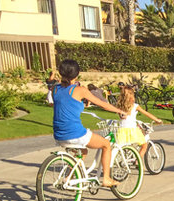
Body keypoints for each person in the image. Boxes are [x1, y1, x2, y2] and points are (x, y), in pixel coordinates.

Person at [51, 59, 127, 188]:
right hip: (74, 133)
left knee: (83, 151)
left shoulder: (55, 89)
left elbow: (65, 105)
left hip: (59, 134)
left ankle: (69, 178)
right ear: (76, 75)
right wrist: (119, 111)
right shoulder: (80, 90)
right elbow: (102, 104)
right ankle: (106, 179)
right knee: (106, 145)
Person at [115, 85, 162, 158]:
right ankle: (138, 162)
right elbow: (146, 113)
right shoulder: (135, 106)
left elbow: (122, 117)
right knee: (144, 145)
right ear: (131, 96)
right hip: (132, 130)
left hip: (121, 131)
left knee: (124, 146)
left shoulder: (119, 106)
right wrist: (157, 119)